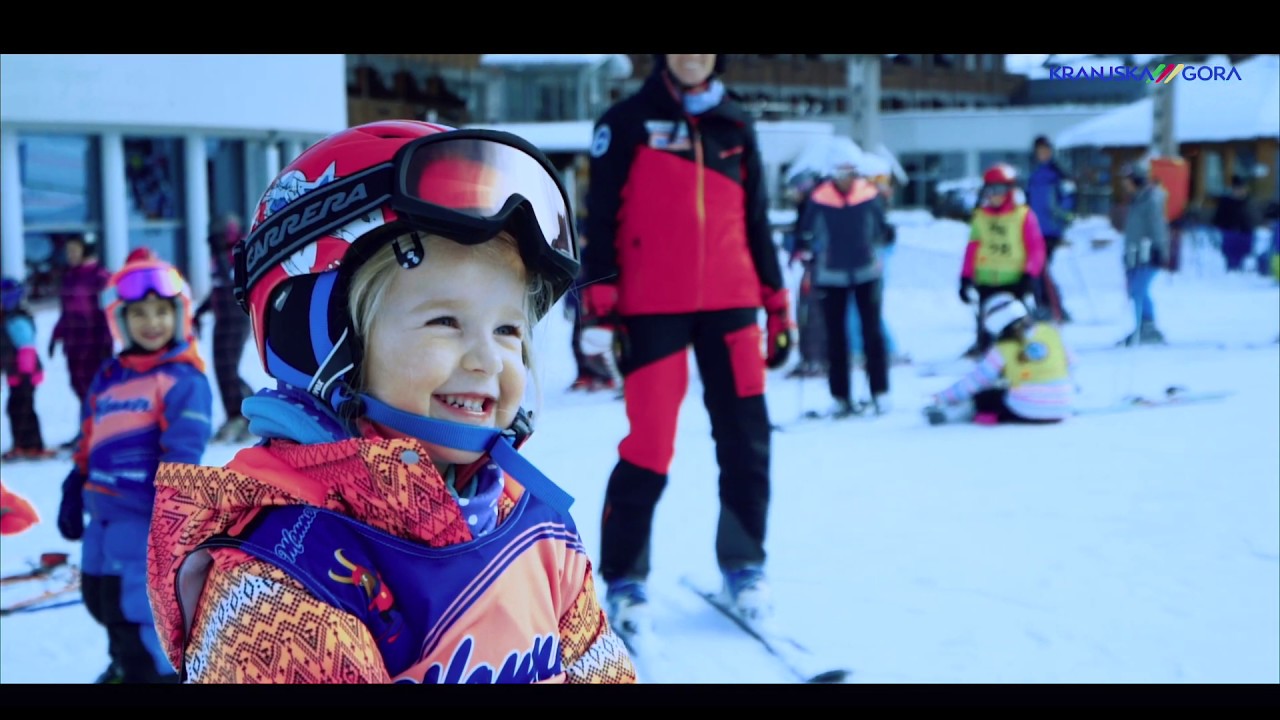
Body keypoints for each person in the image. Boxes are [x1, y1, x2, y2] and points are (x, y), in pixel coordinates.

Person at [144, 120, 636, 684]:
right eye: (445, 321)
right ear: (319, 333)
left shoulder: (532, 526)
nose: (489, 360)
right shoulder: (284, 579)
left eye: (507, 330)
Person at [580, 54, 793, 638]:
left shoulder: (735, 124)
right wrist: (599, 303)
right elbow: (599, 221)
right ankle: (625, 577)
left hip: (733, 305)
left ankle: (745, 565)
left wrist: (776, 303)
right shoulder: (624, 122)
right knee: (650, 442)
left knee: (746, 437)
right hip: (654, 310)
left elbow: (756, 222)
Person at [55, 253, 213, 684]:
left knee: (142, 611)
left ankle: (155, 676)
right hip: (102, 520)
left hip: (146, 519)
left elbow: (183, 450)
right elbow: (90, 434)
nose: (151, 323)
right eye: (139, 313)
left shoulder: (184, 380)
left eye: (161, 312)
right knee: (101, 599)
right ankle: (125, 663)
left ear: (178, 314)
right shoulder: (110, 376)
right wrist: (75, 481)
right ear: (119, 320)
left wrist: (171, 509)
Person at [794, 138, 893, 417]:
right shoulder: (819, 198)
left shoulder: (869, 195)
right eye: (839, 172)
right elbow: (805, 232)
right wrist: (805, 246)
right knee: (835, 337)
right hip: (830, 275)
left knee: (872, 332)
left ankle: (879, 391)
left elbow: (881, 228)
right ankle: (840, 395)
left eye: (849, 172)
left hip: (866, 272)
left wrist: (884, 238)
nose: (844, 178)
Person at [924, 292, 1077, 425]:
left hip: (1026, 410)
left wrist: (942, 396)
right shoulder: (1050, 331)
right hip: (1064, 406)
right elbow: (1072, 363)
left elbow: (976, 381)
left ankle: (953, 414)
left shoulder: (1002, 349)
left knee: (984, 398)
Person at [959, 163, 1047, 358]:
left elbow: (1036, 248)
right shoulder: (980, 217)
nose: (993, 195)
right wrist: (965, 277)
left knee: (1016, 327)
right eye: (989, 190)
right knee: (987, 325)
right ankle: (986, 360)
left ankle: (1021, 361)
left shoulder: (1023, 215)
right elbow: (972, 248)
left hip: (1015, 281)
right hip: (987, 281)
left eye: (998, 190)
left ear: (1009, 190)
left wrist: (1030, 274)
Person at [193, 213, 257, 442]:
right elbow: (218, 289)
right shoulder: (218, 257)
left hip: (237, 318)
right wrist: (200, 311)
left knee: (228, 367)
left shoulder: (239, 254)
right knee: (223, 369)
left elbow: (239, 286)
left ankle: (245, 414)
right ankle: (240, 412)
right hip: (222, 319)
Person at [48, 235, 115, 447]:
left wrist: (106, 341)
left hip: (93, 342)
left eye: (74, 250)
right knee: (79, 386)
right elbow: (66, 310)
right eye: (68, 251)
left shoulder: (101, 277)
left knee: (95, 388)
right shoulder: (70, 277)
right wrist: (56, 335)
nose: (70, 255)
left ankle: (100, 432)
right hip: (73, 342)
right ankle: (85, 430)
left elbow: (109, 312)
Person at [1, 277, 55, 460]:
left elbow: (27, 348)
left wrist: (24, 374)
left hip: (25, 374)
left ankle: (30, 445)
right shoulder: (8, 318)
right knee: (17, 407)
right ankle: (25, 444)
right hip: (16, 374)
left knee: (21, 408)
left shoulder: (16, 319)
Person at [1116, 161, 1170, 346]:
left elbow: (1157, 226)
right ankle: (1141, 325)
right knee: (1134, 289)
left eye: (1128, 180)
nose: (1125, 184)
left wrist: (1159, 249)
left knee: (1139, 289)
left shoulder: (1150, 198)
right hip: (1134, 253)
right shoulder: (1136, 199)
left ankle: (1147, 327)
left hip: (1148, 253)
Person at [1025, 136, 1077, 324]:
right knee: (1037, 270)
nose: (1043, 154)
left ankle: (1052, 308)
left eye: (1046, 150)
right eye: (1040, 151)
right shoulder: (1034, 173)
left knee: (1041, 269)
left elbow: (1069, 199)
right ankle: (1046, 306)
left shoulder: (1058, 173)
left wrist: (1062, 217)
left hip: (1050, 230)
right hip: (1034, 230)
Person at [1211, 174, 1257, 273]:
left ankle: (1241, 269)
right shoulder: (1226, 202)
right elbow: (1219, 217)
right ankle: (1231, 270)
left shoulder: (1249, 202)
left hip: (1245, 231)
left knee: (1244, 252)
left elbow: (1254, 216)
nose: (1240, 191)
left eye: (1242, 189)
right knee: (1230, 253)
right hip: (1230, 231)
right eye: (1238, 189)